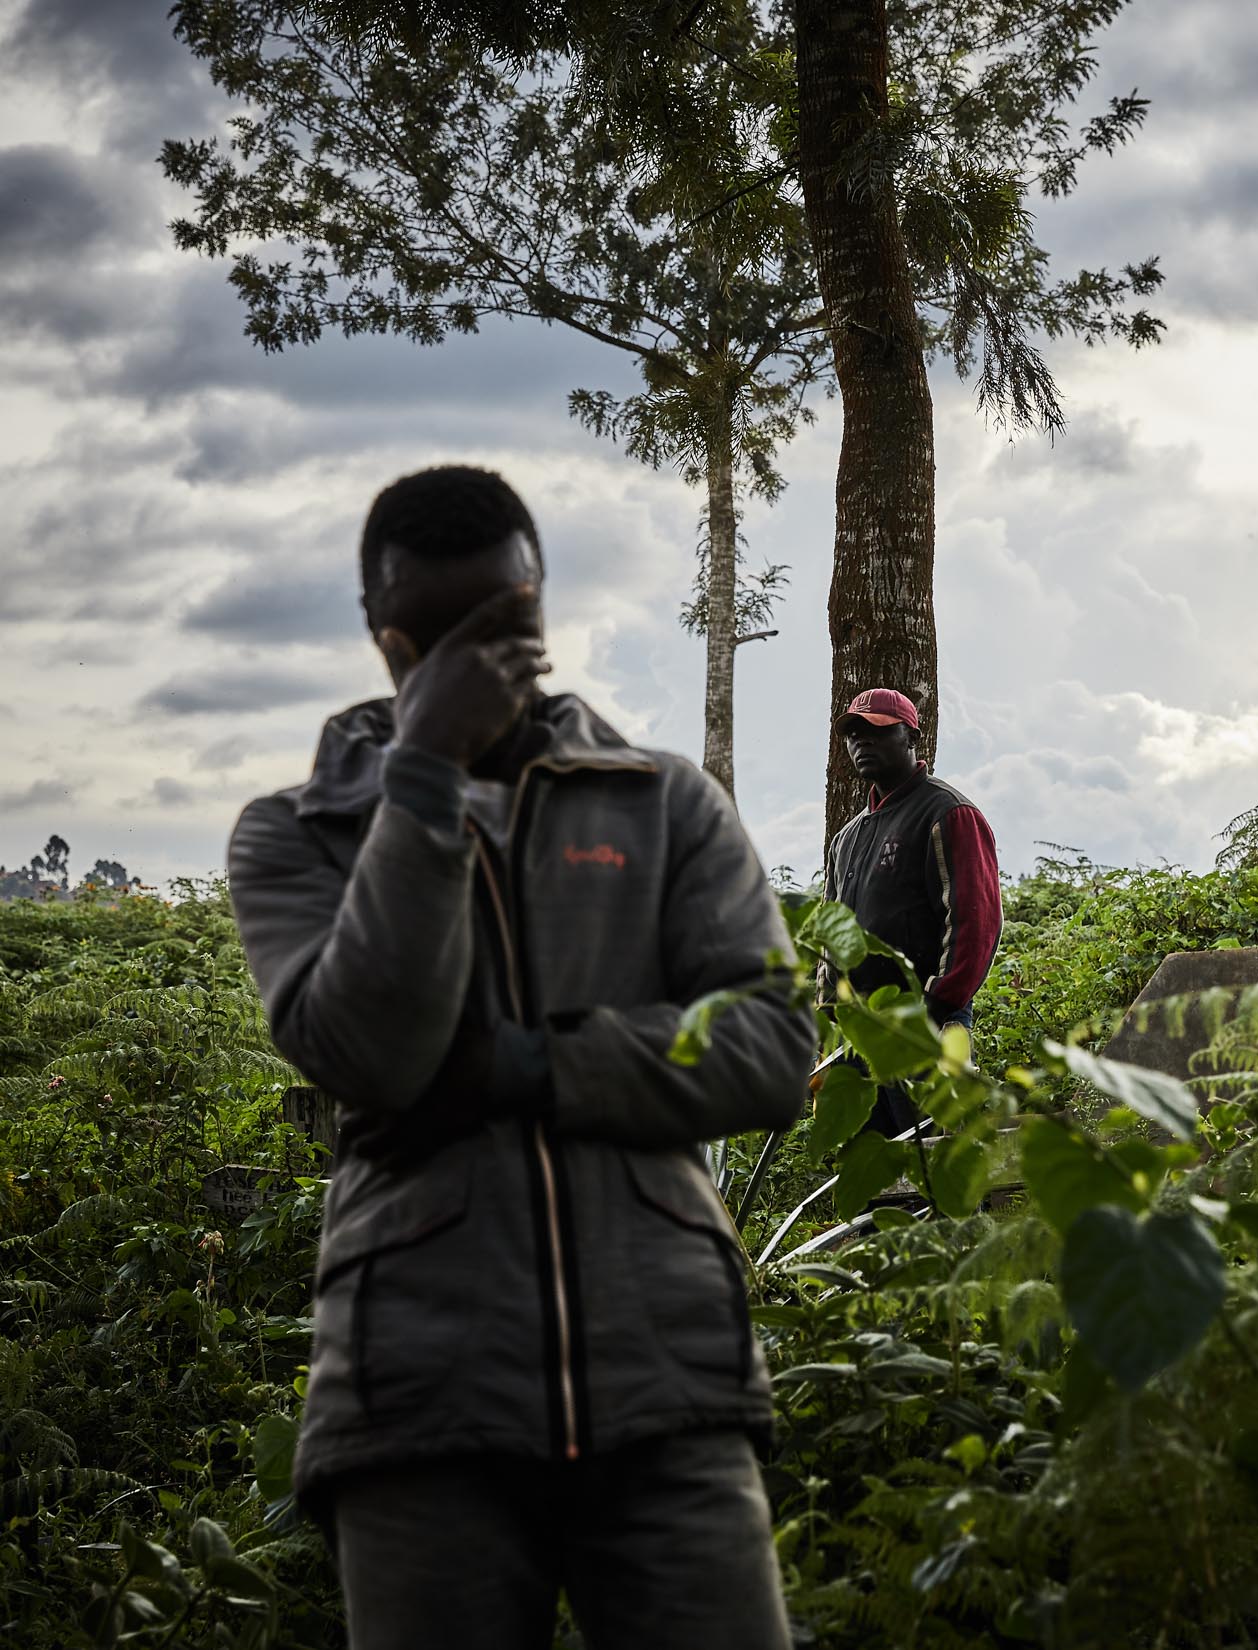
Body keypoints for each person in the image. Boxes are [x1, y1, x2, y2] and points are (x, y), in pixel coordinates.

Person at [226, 465, 812, 1650]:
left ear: (539, 608)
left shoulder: (663, 804)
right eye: (435, 645)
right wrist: (427, 772)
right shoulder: (293, 835)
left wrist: (519, 1069)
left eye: (500, 632)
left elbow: (771, 1048)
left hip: (670, 1385)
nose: (474, 668)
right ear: (383, 640)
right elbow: (373, 1053)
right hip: (416, 1400)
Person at [820, 688, 1002, 1135]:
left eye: (879, 731)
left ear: (911, 737)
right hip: (860, 1038)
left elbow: (975, 924)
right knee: (874, 1178)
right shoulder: (847, 838)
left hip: (925, 1025)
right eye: (855, 733)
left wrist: (933, 1008)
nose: (863, 742)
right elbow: (830, 931)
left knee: (938, 1166)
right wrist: (828, 1019)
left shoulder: (947, 812)